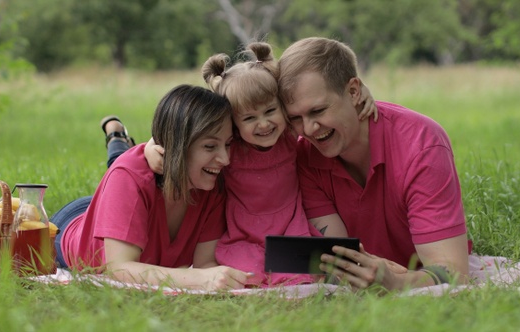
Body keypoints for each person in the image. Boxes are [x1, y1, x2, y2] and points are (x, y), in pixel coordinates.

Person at [145, 42, 378, 287]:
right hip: (245, 232)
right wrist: (150, 145)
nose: (264, 124)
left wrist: (366, 94)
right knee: (246, 280)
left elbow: (331, 96)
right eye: (249, 118)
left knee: (302, 280)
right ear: (233, 122)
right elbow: (186, 133)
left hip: (289, 226)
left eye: (270, 111)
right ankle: (118, 140)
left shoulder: (289, 136)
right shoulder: (231, 146)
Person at [277, 37, 470, 291]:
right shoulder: (304, 153)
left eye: (318, 111)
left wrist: (394, 281)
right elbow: (339, 261)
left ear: (354, 92)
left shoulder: (422, 144)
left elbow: (454, 273)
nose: (309, 129)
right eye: (296, 118)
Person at [50, 84, 252, 291]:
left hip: (134, 192)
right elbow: (118, 269)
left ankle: (121, 140)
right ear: (176, 145)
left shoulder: (211, 183)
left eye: (228, 144)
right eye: (210, 146)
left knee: (127, 166)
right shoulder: (129, 176)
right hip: (69, 227)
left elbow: (205, 265)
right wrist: (197, 278)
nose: (225, 159)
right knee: (124, 166)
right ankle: (116, 134)